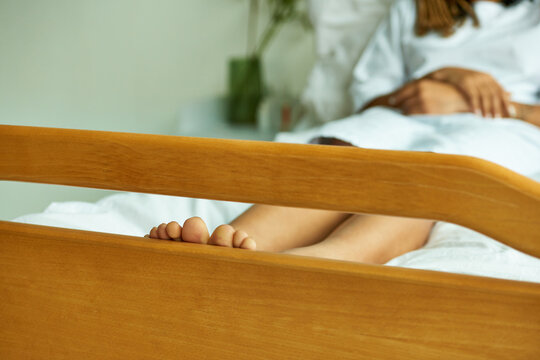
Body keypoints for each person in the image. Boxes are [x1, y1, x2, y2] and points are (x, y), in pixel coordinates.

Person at [146, 0, 540, 264]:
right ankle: (232, 248)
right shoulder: (417, 8)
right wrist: (439, 78)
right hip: (402, 118)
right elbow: (368, 96)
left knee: (431, 176)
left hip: (504, 128)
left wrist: (494, 105)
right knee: (347, 152)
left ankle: (326, 261)